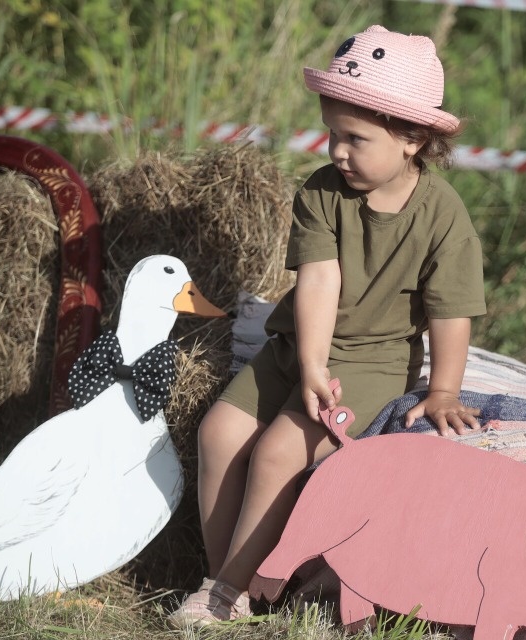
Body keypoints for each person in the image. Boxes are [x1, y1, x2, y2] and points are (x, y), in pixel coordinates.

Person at [167, 24, 486, 628]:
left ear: (413, 138)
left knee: (278, 451)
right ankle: (227, 585)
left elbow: (452, 310)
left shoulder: (444, 214)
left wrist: (444, 390)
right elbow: (318, 281)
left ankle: (233, 589)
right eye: (332, 134)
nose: (337, 151)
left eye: (355, 139)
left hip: (371, 362)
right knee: (218, 433)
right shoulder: (321, 192)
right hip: (297, 347)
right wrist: (309, 364)